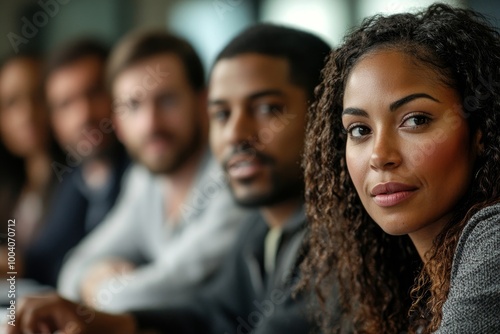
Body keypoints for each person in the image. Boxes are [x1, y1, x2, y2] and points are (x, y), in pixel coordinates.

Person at [6, 23, 332, 334]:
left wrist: (106, 299)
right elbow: (212, 315)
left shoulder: (336, 239)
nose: (236, 134)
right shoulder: (260, 224)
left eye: (267, 109)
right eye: (223, 114)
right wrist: (104, 322)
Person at [301, 3, 500, 333]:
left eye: (416, 120)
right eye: (360, 130)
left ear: (481, 132)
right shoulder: (408, 292)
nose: (380, 156)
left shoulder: (494, 238)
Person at [56, 30, 253, 312]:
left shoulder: (235, 176)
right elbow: (73, 268)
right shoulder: (144, 181)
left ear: (203, 103)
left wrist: (100, 288)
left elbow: (169, 286)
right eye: (133, 106)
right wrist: (95, 278)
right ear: (118, 123)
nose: (151, 124)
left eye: (167, 100)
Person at [22, 39, 130, 287]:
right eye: (66, 104)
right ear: (52, 120)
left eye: (94, 93)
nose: (84, 115)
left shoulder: (145, 172)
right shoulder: (73, 177)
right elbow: (44, 255)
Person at [0, 53, 61, 277]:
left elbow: (46, 259)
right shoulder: (11, 187)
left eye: (37, 96)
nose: (27, 114)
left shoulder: (78, 179)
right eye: (11, 102)